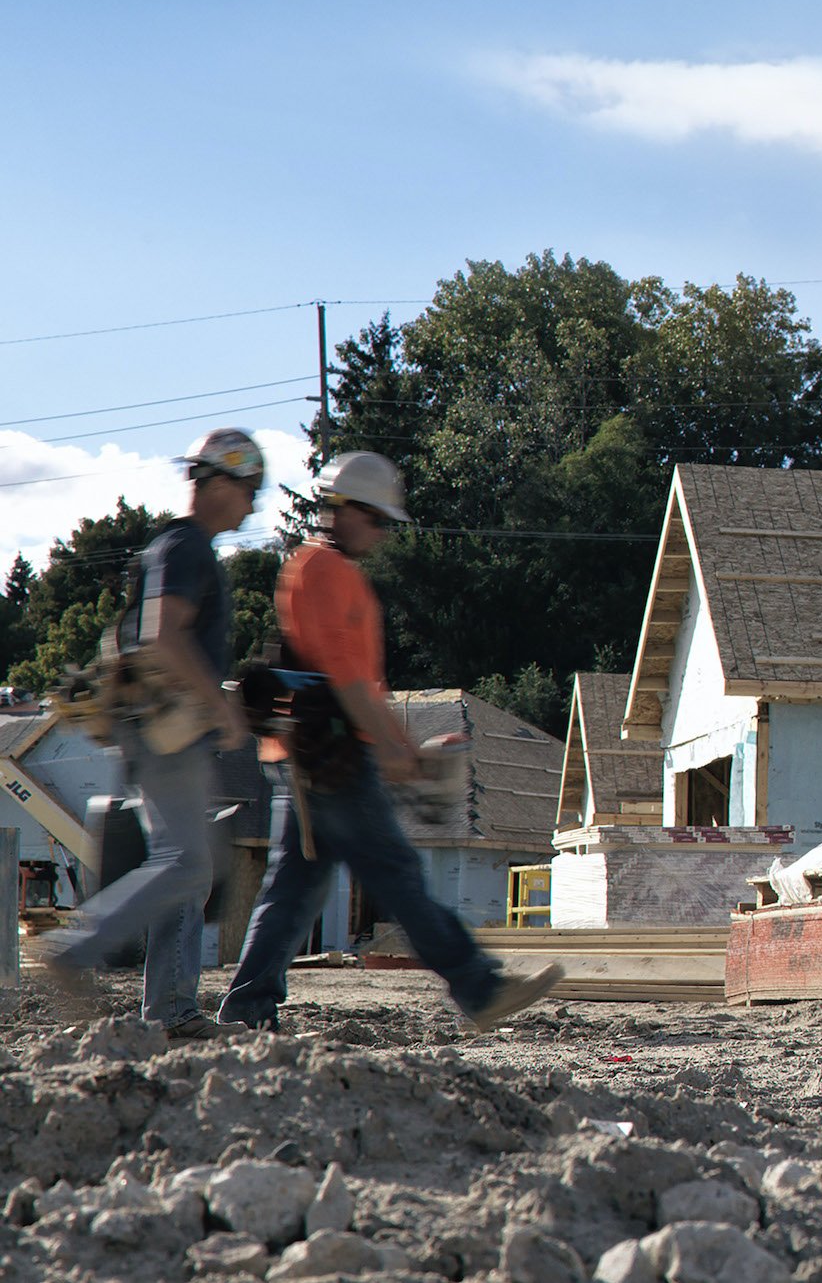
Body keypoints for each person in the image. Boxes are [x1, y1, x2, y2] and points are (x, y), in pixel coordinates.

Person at [216, 451, 562, 1031]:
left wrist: (401, 750)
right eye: (375, 520)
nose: (379, 534)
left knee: (292, 890)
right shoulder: (325, 573)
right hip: (331, 759)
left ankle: (247, 1010)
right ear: (341, 510)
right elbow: (347, 684)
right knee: (397, 874)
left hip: (314, 757)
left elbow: (357, 687)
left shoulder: (323, 570)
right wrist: (401, 756)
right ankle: (478, 988)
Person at [31, 429, 266, 1037]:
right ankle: (77, 950)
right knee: (189, 864)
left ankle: (170, 1009)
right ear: (218, 481)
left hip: (161, 730)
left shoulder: (180, 548)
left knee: (184, 866)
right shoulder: (184, 548)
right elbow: (162, 637)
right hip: (170, 732)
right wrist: (223, 707)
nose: (253, 504)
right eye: (249, 488)